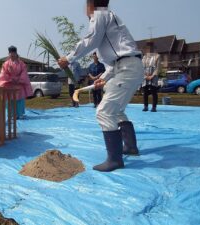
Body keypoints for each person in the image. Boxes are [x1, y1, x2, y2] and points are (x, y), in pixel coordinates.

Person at [58, 0, 144, 172]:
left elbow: (90, 40)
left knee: (104, 112)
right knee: (116, 111)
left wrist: (68, 58)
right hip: (127, 67)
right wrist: (103, 78)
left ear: (91, 5)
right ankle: (130, 147)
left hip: (127, 68)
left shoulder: (100, 15)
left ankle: (115, 159)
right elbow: (114, 63)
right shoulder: (110, 18)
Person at [0, 46, 33, 119]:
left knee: (20, 100)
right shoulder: (6, 64)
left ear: (16, 53)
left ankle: (19, 114)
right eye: (11, 53)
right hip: (9, 84)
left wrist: (19, 80)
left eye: (13, 53)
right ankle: (11, 115)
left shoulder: (21, 64)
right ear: (9, 54)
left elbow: (24, 73)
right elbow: (3, 74)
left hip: (19, 84)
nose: (12, 55)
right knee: (10, 101)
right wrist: (10, 79)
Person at [142, 43, 161, 112]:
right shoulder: (144, 57)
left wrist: (152, 76)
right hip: (145, 77)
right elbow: (141, 68)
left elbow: (158, 68)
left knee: (154, 92)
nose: (149, 49)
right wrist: (145, 76)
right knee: (145, 92)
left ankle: (154, 107)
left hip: (153, 76)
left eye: (151, 48)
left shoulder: (157, 56)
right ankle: (145, 106)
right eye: (148, 48)